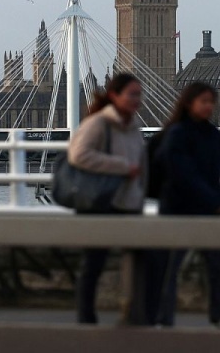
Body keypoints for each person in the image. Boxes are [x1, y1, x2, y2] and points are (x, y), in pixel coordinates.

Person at [146, 82, 220, 331]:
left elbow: (211, 175)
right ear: (189, 103)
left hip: (207, 209)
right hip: (178, 209)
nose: (209, 106)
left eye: (211, 101)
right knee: (167, 269)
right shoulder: (177, 134)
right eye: (204, 101)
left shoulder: (212, 134)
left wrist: (217, 201)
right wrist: (212, 200)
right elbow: (182, 174)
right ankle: (161, 319)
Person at [66, 72, 146, 325]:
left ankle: (134, 314)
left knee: (138, 262)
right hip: (100, 204)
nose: (138, 100)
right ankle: (86, 318)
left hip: (128, 204)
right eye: (132, 94)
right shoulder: (97, 123)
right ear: (114, 95)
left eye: (139, 94)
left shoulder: (133, 127)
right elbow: (78, 155)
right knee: (93, 265)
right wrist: (121, 166)